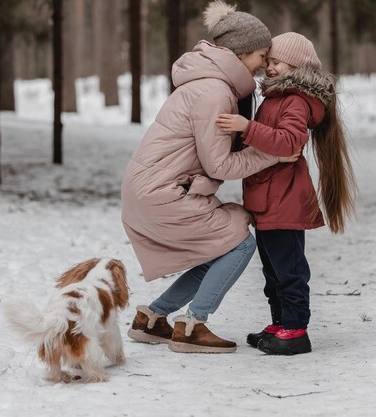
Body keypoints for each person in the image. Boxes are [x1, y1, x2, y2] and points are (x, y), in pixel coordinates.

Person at [121, 1, 298, 354]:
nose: (264, 65)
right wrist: (272, 153)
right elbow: (219, 166)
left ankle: (153, 318)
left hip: (150, 191)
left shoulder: (206, 82)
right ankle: (194, 324)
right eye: (262, 55)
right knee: (240, 242)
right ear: (241, 51)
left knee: (218, 248)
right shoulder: (215, 92)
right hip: (165, 194)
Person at [216, 32, 357, 355]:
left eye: (277, 62)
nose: (270, 67)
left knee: (289, 271)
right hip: (268, 201)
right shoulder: (277, 97)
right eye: (268, 61)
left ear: (297, 67)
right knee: (273, 271)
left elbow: (289, 141)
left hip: (285, 201)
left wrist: (245, 127)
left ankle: (295, 329)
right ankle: (281, 323)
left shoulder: (295, 101)